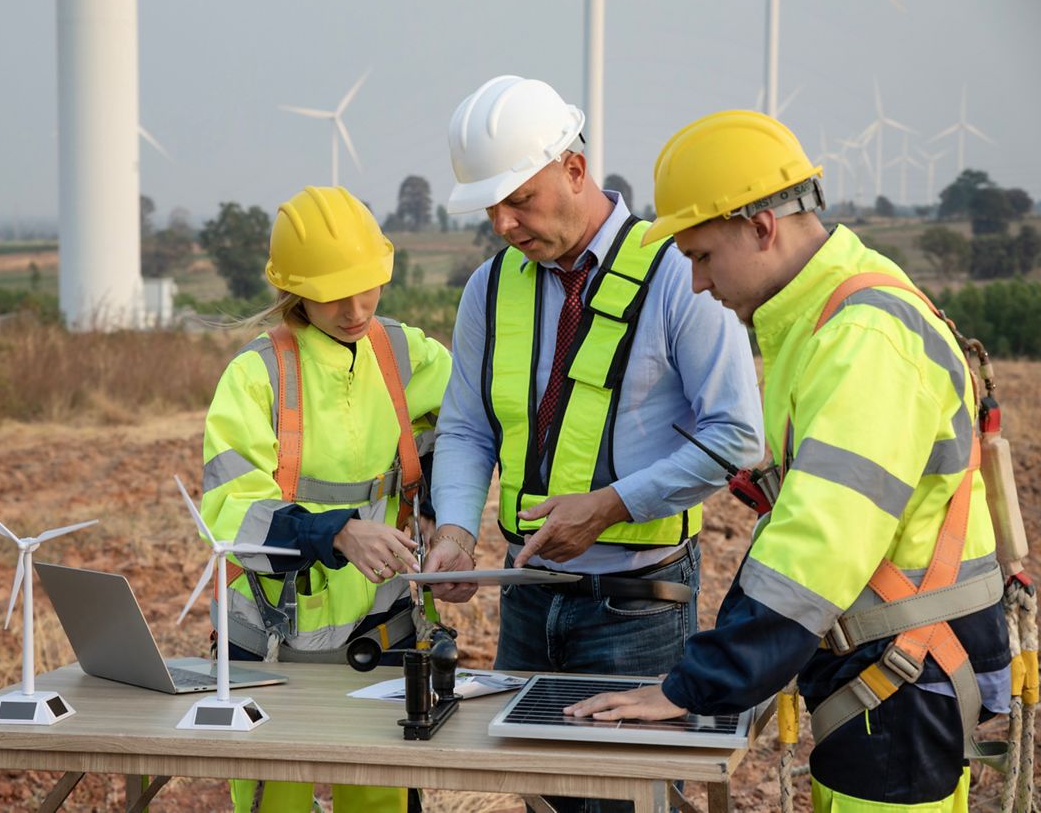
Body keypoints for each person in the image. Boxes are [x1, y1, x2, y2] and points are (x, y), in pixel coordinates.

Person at [566, 110, 1012, 812]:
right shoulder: (825, 316)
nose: (699, 284)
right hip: (884, 668)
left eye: (702, 256)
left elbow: (816, 545)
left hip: (901, 677)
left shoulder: (863, 337)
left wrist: (695, 688)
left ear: (762, 227)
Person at [425, 75, 764, 812]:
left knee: (620, 802)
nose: (505, 223)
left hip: (637, 607)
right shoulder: (489, 286)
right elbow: (465, 426)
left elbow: (738, 435)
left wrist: (609, 507)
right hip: (525, 597)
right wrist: (454, 527)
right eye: (492, 208)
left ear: (574, 170)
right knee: (543, 799)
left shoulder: (677, 272)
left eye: (520, 200)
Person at [200, 185, 451, 813]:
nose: (356, 306)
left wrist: (454, 526)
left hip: (379, 630)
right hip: (269, 642)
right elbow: (232, 509)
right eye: (335, 292)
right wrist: (336, 532)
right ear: (294, 290)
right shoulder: (254, 375)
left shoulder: (405, 353)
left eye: (368, 284)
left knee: (383, 799)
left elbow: (477, 427)